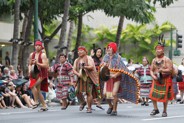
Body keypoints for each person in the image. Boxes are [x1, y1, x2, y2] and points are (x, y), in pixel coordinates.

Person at [101, 42, 139, 116]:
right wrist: (104, 68)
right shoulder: (105, 57)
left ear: (114, 49)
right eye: (107, 47)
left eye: (110, 47)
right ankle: (110, 106)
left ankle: (114, 110)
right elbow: (102, 67)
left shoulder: (118, 58)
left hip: (116, 77)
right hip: (108, 77)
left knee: (114, 94)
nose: (108, 49)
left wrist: (115, 75)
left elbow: (123, 69)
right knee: (104, 94)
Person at [73, 46, 101, 113]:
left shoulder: (89, 58)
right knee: (77, 91)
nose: (79, 52)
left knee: (88, 92)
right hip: (80, 78)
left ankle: (89, 107)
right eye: (78, 51)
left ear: (85, 52)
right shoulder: (76, 60)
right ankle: (83, 102)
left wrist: (84, 67)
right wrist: (78, 74)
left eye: (81, 50)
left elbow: (91, 67)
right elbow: (73, 69)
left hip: (89, 78)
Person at [149, 43, 174, 117]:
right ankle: (156, 109)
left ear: (162, 51)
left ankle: (164, 111)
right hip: (156, 80)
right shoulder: (154, 60)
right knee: (152, 94)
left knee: (164, 96)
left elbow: (170, 69)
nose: (157, 51)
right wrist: (153, 76)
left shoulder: (167, 59)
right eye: (156, 49)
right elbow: (151, 70)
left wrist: (162, 70)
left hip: (165, 80)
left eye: (159, 49)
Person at [28, 40, 49, 111]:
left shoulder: (43, 55)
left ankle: (36, 101)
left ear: (41, 47)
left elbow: (46, 66)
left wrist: (37, 63)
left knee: (32, 86)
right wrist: (29, 70)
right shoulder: (32, 55)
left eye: (39, 45)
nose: (37, 47)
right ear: (34, 46)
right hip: (34, 74)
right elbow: (30, 64)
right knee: (38, 90)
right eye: (36, 45)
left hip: (42, 74)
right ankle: (44, 105)